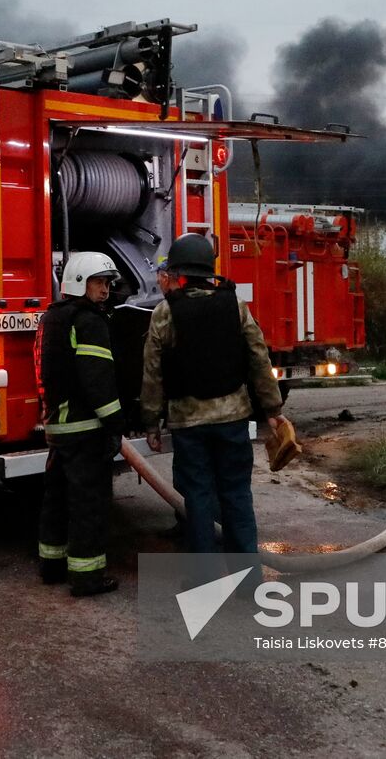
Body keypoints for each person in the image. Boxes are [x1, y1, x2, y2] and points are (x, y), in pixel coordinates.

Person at [140, 233, 284, 560]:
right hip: (233, 419)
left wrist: (150, 422)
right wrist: (272, 408)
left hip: (188, 425)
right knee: (237, 497)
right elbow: (258, 357)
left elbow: (152, 373)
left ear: (179, 274)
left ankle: (203, 584)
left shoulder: (164, 313)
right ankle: (247, 584)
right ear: (209, 270)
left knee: (198, 503)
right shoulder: (235, 305)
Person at [34, 251, 126, 597]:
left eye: (106, 283)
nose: (104, 290)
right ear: (78, 282)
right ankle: (87, 577)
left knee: (55, 500)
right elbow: (98, 380)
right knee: (88, 504)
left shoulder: (51, 318)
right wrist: (116, 423)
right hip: (86, 429)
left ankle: (52, 566)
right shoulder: (89, 321)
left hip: (58, 428)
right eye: (98, 282)